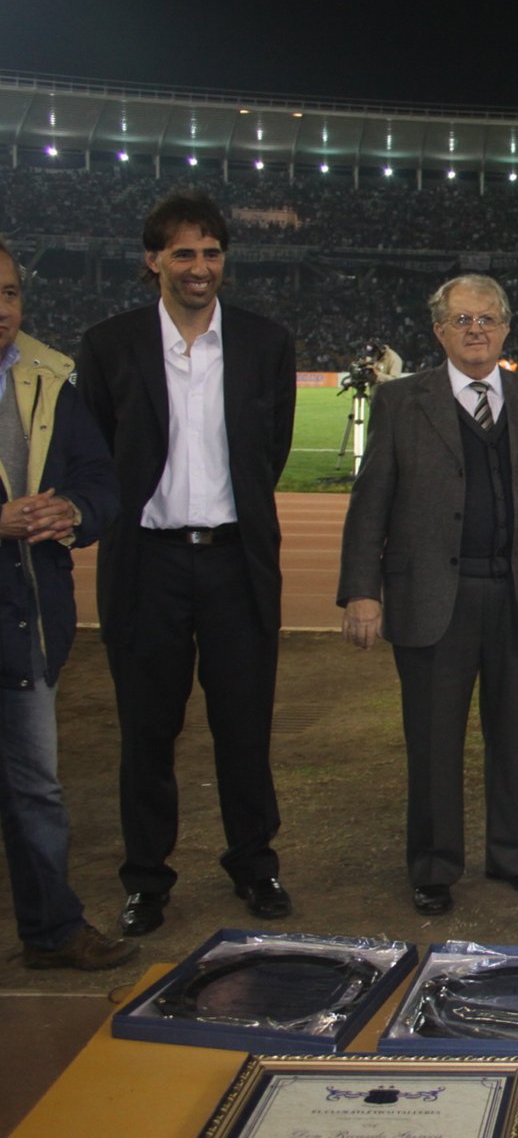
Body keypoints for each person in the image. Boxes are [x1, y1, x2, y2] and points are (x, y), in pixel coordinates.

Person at [337, 274, 518, 917]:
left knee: (514, 738)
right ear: (439, 331)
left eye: (487, 319)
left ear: (506, 328)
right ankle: (433, 865)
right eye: (461, 320)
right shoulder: (402, 402)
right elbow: (370, 503)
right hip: (432, 598)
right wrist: (360, 592)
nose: (475, 330)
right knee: (433, 740)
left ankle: (510, 852)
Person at [77, 190, 297, 937]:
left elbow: (273, 453)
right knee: (147, 731)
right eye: (183, 253)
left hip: (236, 563)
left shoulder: (266, 343)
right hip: (149, 564)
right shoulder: (110, 345)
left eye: (210, 253)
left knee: (245, 728)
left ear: (223, 261)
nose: (199, 267)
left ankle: (254, 864)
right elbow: (103, 454)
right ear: (153, 261)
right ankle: (146, 879)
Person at [0, 238, 136, 971]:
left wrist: (74, 514)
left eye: (11, 293)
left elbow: (99, 479)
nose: (2, 308)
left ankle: (52, 929)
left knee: (36, 791)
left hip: (25, 616)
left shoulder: (51, 379)